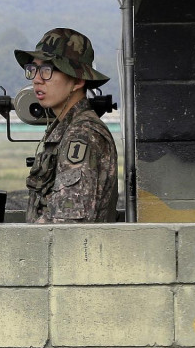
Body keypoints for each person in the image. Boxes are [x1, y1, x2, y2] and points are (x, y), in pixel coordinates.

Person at [15, 27, 118, 223]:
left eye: (47, 71)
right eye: (33, 69)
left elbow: (67, 224)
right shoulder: (65, 128)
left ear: (78, 81)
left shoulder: (83, 134)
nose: (37, 79)